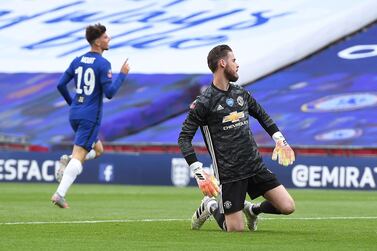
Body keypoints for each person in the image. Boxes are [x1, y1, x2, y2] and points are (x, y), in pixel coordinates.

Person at [178, 44, 295, 232]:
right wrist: (198, 171)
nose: (237, 64)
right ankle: (211, 206)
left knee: (288, 206)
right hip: (230, 173)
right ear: (223, 63)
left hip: (254, 165)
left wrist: (280, 140)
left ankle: (253, 210)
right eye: (234, 60)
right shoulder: (204, 102)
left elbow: (262, 115)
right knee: (235, 230)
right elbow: (184, 138)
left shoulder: (241, 92)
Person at [51, 23, 130, 208]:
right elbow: (109, 92)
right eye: (105, 37)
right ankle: (59, 194)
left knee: (99, 150)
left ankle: (69, 160)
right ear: (97, 42)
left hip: (75, 113)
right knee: (80, 155)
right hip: (90, 116)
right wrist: (123, 75)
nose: (108, 39)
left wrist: (74, 105)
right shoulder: (103, 64)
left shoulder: (77, 60)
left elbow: (61, 85)